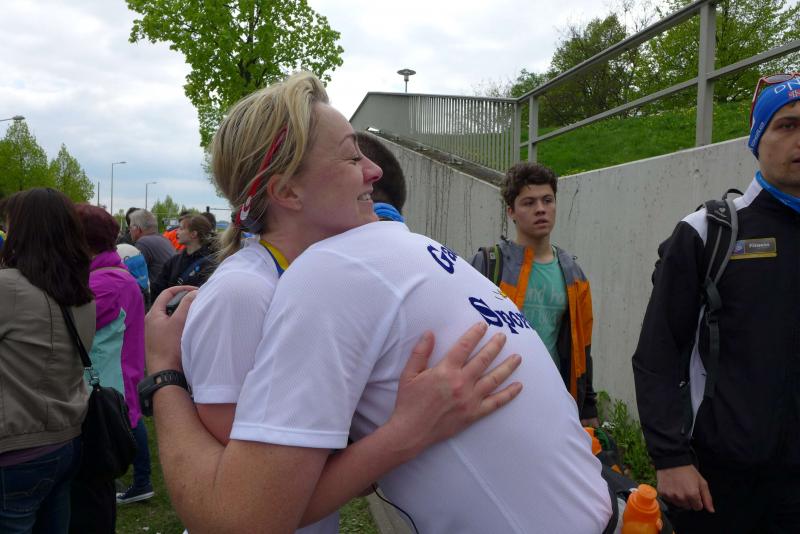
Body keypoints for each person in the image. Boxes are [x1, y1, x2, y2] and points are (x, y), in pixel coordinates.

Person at [144, 71, 612, 533]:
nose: (375, 171)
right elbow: (245, 513)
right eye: (352, 157)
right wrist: (163, 375)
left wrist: (394, 435)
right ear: (286, 191)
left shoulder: (340, 267)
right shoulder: (274, 283)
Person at [632, 74, 800, 532]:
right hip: (718, 484)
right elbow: (657, 352)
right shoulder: (708, 232)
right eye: (786, 125)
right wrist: (670, 457)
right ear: (757, 139)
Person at [470, 162, 599, 427]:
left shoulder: (573, 273)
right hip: (496, 398)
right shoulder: (490, 264)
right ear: (511, 211)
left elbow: (582, 346)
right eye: (528, 203)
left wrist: (587, 406)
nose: (540, 209)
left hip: (552, 399)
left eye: (547, 200)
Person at [0, 188, 95, 532]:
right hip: (65, 440)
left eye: (8, 224)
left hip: (17, 450)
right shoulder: (81, 293)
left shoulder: (8, 288)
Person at [73, 205, 154, 514]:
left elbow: (68, 326)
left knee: (98, 472)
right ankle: (138, 480)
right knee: (127, 424)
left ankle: (140, 481)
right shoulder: (110, 274)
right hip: (115, 377)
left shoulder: (104, 283)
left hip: (106, 383)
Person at [150, 214, 216, 300]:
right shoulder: (174, 261)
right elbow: (157, 288)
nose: (176, 232)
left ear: (193, 234)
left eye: (181, 228)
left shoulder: (210, 264)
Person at [129, 208, 175, 286]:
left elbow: (134, 275)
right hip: (170, 289)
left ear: (138, 229)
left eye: (130, 228)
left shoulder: (143, 243)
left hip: (157, 291)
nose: (129, 232)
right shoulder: (164, 239)